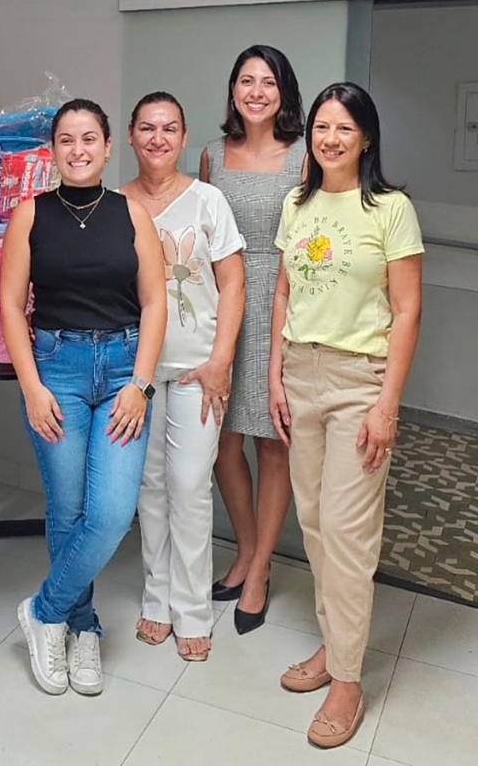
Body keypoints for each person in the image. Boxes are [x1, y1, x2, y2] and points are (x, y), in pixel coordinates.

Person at [269, 82, 422, 749]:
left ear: (365, 138)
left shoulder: (391, 208)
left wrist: (388, 401)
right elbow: (281, 289)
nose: (330, 138)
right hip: (301, 374)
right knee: (314, 523)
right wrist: (276, 372)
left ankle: (349, 680)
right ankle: (335, 647)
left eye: (345, 128)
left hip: (361, 379)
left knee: (348, 530)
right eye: (322, 127)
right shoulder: (297, 202)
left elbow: (409, 308)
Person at [1, 99, 167, 696]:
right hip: (57, 370)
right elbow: (10, 306)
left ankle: (44, 611)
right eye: (66, 140)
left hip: (123, 369)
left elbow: (154, 303)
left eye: (89, 138)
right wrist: (32, 386)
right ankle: (83, 626)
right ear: (53, 150)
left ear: (106, 146)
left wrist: (141, 384)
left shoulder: (133, 215)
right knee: (67, 510)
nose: (78, 150)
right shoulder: (30, 215)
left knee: (111, 513)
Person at [120, 92, 244, 662]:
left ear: (185, 137)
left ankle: (193, 609)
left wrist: (220, 360)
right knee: (149, 489)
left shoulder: (209, 201)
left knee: (191, 486)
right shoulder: (115, 203)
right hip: (139, 373)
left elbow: (234, 284)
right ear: (130, 135)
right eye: (147, 128)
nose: (158, 138)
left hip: (199, 369)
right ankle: (156, 600)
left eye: (169, 128)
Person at [200, 44, 306, 633]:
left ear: (284, 92)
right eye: (247, 80)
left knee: (273, 443)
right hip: (221, 304)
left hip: (282, 302)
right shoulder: (213, 155)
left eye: (268, 82)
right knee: (221, 442)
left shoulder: (303, 157)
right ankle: (243, 548)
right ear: (234, 89)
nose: (257, 91)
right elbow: (200, 231)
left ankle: (261, 568)